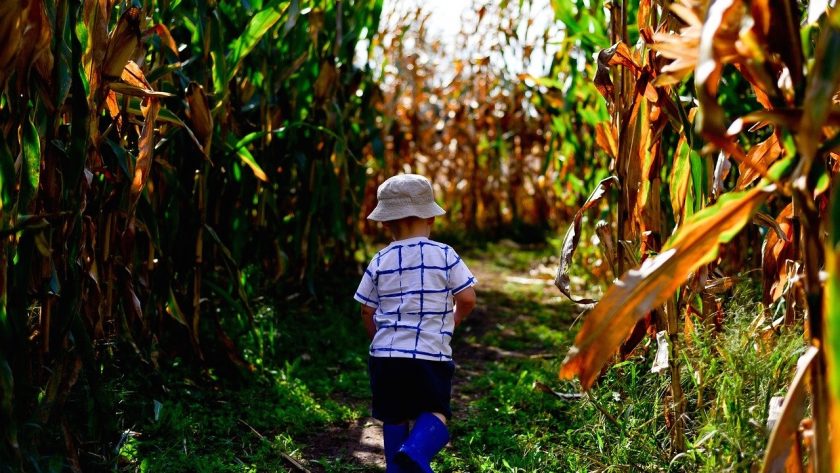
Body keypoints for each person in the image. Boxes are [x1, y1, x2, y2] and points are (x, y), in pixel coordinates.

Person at [354, 174, 477, 473]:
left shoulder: (379, 259)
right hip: (430, 354)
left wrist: (377, 340)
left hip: (386, 357)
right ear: (431, 219)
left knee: (393, 415)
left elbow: (366, 311)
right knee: (436, 410)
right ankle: (416, 451)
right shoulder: (445, 254)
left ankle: (396, 467)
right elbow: (468, 297)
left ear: (386, 224)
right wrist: (454, 319)